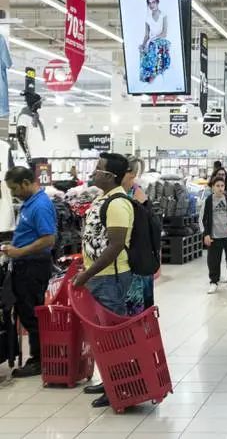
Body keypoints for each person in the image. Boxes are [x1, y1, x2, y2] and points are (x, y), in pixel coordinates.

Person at [73, 153, 136, 408]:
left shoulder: (118, 203)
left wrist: (87, 275)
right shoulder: (103, 197)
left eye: (99, 168)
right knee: (103, 336)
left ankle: (119, 387)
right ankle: (109, 379)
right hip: (99, 276)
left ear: (110, 176)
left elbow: (116, 245)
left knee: (113, 337)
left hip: (111, 278)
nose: (94, 172)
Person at [3, 166, 56, 378]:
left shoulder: (40, 205)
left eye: (14, 188)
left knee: (32, 313)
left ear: (26, 183)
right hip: (25, 264)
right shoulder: (29, 203)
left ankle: (39, 359)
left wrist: (20, 251)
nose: (13, 193)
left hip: (33, 266)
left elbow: (48, 239)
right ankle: (39, 357)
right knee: (26, 311)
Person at [123, 156, 154, 309]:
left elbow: (143, 226)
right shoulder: (133, 192)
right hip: (135, 254)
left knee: (137, 301)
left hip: (136, 255)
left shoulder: (136, 194)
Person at [203, 177, 227, 294]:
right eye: (217, 186)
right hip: (214, 236)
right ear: (213, 187)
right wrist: (206, 234)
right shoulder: (208, 200)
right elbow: (205, 218)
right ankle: (214, 282)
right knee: (213, 260)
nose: (220, 188)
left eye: (222, 186)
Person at [139, 0, 171, 84]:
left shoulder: (163, 15)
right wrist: (143, 45)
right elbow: (146, 35)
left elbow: (164, 33)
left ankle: (153, 73)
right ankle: (147, 76)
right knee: (143, 51)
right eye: (149, 3)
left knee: (153, 47)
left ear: (157, 2)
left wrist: (153, 40)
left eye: (153, 2)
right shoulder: (147, 18)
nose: (151, 5)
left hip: (161, 41)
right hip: (151, 42)